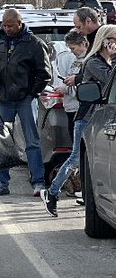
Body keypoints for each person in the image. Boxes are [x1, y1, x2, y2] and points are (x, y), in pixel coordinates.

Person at [41, 24, 116, 216]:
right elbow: (110, 80)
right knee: (76, 157)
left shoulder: (105, 62)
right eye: (114, 40)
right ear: (105, 41)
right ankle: (52, 192)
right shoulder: (94, 62)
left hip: (101, 119)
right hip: (87, 118)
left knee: (90, 161)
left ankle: (88, 195)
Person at [0, 7, 52, 197]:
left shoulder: (34, 44)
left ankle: (38, 182)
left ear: (20, 23)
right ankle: (2, 183)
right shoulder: (0, 45)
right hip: (3, 98)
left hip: (25, 99)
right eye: (4, 25)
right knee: (2, 141)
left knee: (32, 141)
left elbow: (44, 74)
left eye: (10, 25)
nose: (6, 29)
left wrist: (31, 94)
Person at [53, 28, 89, 144]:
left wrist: (66, 89)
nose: (71, 51)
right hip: (71, 108)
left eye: (73, 48)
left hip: (80, 109)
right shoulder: (75, 60)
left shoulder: (89, 62)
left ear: (83, 44)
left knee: (79, 147)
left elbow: (84, 87)